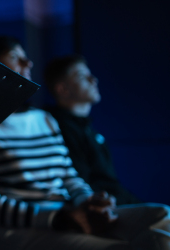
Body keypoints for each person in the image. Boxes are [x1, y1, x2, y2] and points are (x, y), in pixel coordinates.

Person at [0, 36, 170, 250]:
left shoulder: (44, 119)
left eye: (26, 57)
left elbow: (68, 175)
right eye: (15, 57)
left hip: (68, 214)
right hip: (17, 230)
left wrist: (88, 202)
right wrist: (58, 218)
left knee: (163, 216)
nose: (28, 63)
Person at [44, 55, 141, 206]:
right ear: (63, 89)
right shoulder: (60, 128)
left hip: (119, 200)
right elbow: (84, 183)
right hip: (100, 206)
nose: (93, 80)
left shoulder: (87, 129)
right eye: (82, 76)